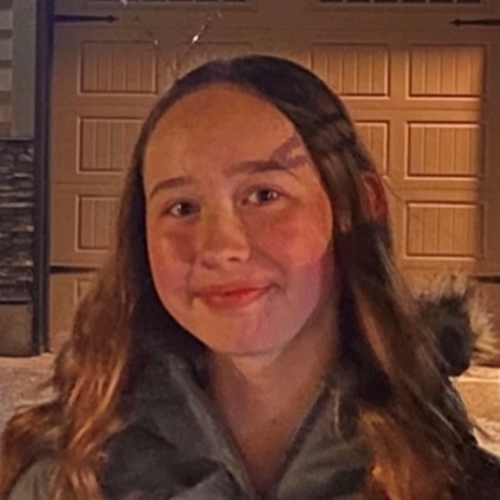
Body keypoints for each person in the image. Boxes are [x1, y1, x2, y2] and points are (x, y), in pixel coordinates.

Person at [1, 55, 499, 500]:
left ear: (355, 204)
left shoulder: (453, 480)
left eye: (264, 195)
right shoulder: (65, 480)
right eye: (182, 207)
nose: (221, 247)